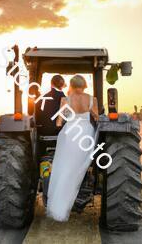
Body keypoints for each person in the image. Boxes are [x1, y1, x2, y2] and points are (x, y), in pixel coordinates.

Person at [47, 74, 99, 222]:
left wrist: (70, 117)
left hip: (71, 133)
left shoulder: (65, 99)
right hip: (86, 134)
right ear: (83, 84)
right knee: (79, 166)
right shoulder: (91, 99)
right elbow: (96, 117)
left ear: (71, 84)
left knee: (66, 167)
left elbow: (59, 122)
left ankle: (60, 204)